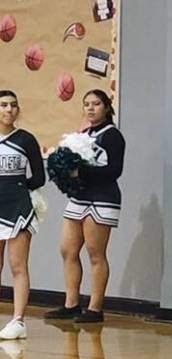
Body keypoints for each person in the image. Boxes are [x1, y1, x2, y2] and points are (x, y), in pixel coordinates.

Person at [46, 90, 124, 324]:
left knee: (95, 254)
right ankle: (71, 304)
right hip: (80, 197)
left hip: (102, 198)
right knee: (67, 250)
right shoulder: (84, 133)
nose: (91, 108)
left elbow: (114, 171)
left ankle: (95, 308)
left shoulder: (113, 136)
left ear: (106, 107)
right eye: (87, 104)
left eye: (96, 104)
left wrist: (82, 172)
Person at [0, 90, 44, 341]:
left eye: (13, 105)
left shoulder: (26, 139)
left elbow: (39, 177)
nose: (9, 110)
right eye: (4, 105)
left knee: (18, 266)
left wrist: (17, 190)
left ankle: (18, 321)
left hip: (18, 208)